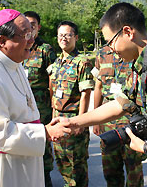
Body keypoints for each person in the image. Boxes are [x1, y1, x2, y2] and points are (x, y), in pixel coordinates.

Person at [53, 3, 147, 187]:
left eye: (110, 41)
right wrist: (75, 122)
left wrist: (146, 147)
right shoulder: (142, 66)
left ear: (128, 32)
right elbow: (121, 104)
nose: (110, 49)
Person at [0, 9, 71, 187]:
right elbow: (0, 133)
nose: (32, 39)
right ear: (3, 41)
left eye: (32, 32)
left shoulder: (15, 63)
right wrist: (44, 133)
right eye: (25, 34)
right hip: (0, 168)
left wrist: (45, 128)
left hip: (23, 159)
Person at [92, 46, 145, 187]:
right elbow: (98, 87)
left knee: (134, 170)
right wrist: (96, 120)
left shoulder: (133, 50)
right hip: (108, 121)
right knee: (110, 170)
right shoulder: (102, 54)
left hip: (132, 119)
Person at [50, 20, 94, 187]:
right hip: (57, 120)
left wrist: (80, 123)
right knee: (62, 163)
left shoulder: (82, 62)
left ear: (75, 37)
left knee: (77, 166)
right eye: (61, 35)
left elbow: (85, 94)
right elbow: (52, 92)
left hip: (73, 120)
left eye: (68, 35)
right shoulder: (56, 63)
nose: (64, 38)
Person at [23, 11, 57, 187]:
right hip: (21, 104)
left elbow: (53, 80)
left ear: (38, 27)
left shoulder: (45, 50)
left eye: (33, 24)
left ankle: (46, 175)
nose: (30, 27)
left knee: (41, 141)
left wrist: (52, 106)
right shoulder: (19, 46)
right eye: (27, 24)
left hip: (41, 103)